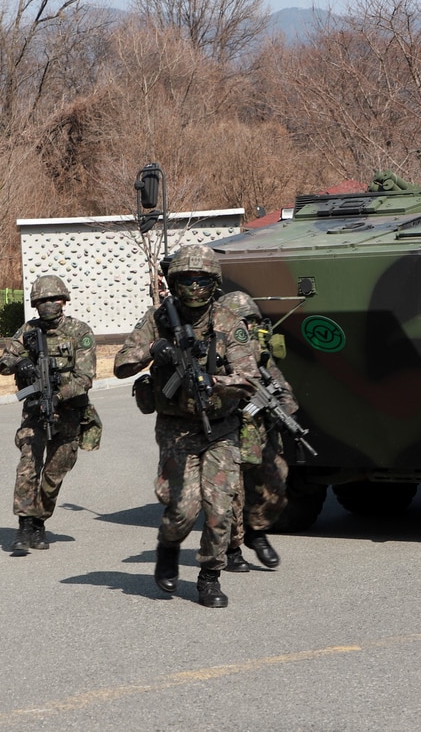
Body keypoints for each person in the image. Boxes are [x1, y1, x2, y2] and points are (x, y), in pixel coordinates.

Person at [114, 245, 260, 609]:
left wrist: (216, 383)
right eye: (186, 280)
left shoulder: (227, 321)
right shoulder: (157, 318)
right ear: (174, 283)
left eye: (202, 281)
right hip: (176, 428)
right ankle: (167, 549)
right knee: (182, 509)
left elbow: (249, 378)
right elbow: (121, 364)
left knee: (219, 509)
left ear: (214, 284)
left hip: (221, 427)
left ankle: (209, 577)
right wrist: (155, 348)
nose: (194, 287)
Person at [0, 274, 97, 552]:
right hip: (35, 411)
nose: (49, 304)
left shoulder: (79, 332)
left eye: (54, 299)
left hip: (68, 413)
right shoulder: (27, 331)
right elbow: (2, 363)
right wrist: (22, 363)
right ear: (35, 304)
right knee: (28, 465)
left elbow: (86, 377)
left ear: (64, 300)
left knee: (53, 474)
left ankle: (39, 522)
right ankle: (24, 525)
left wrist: (58, 394)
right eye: (42, 300)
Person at [217, 291, 297, 573]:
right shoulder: (217, 350)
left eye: (252, 322)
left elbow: (277, 381)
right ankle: (233, 548)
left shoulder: (260, 352)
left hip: (260, 429)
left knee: (276, 482)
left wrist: (285, 406)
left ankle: (256, 529)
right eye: (243, 322)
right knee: (232, 492)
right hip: (228, 429)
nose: (249, 328)